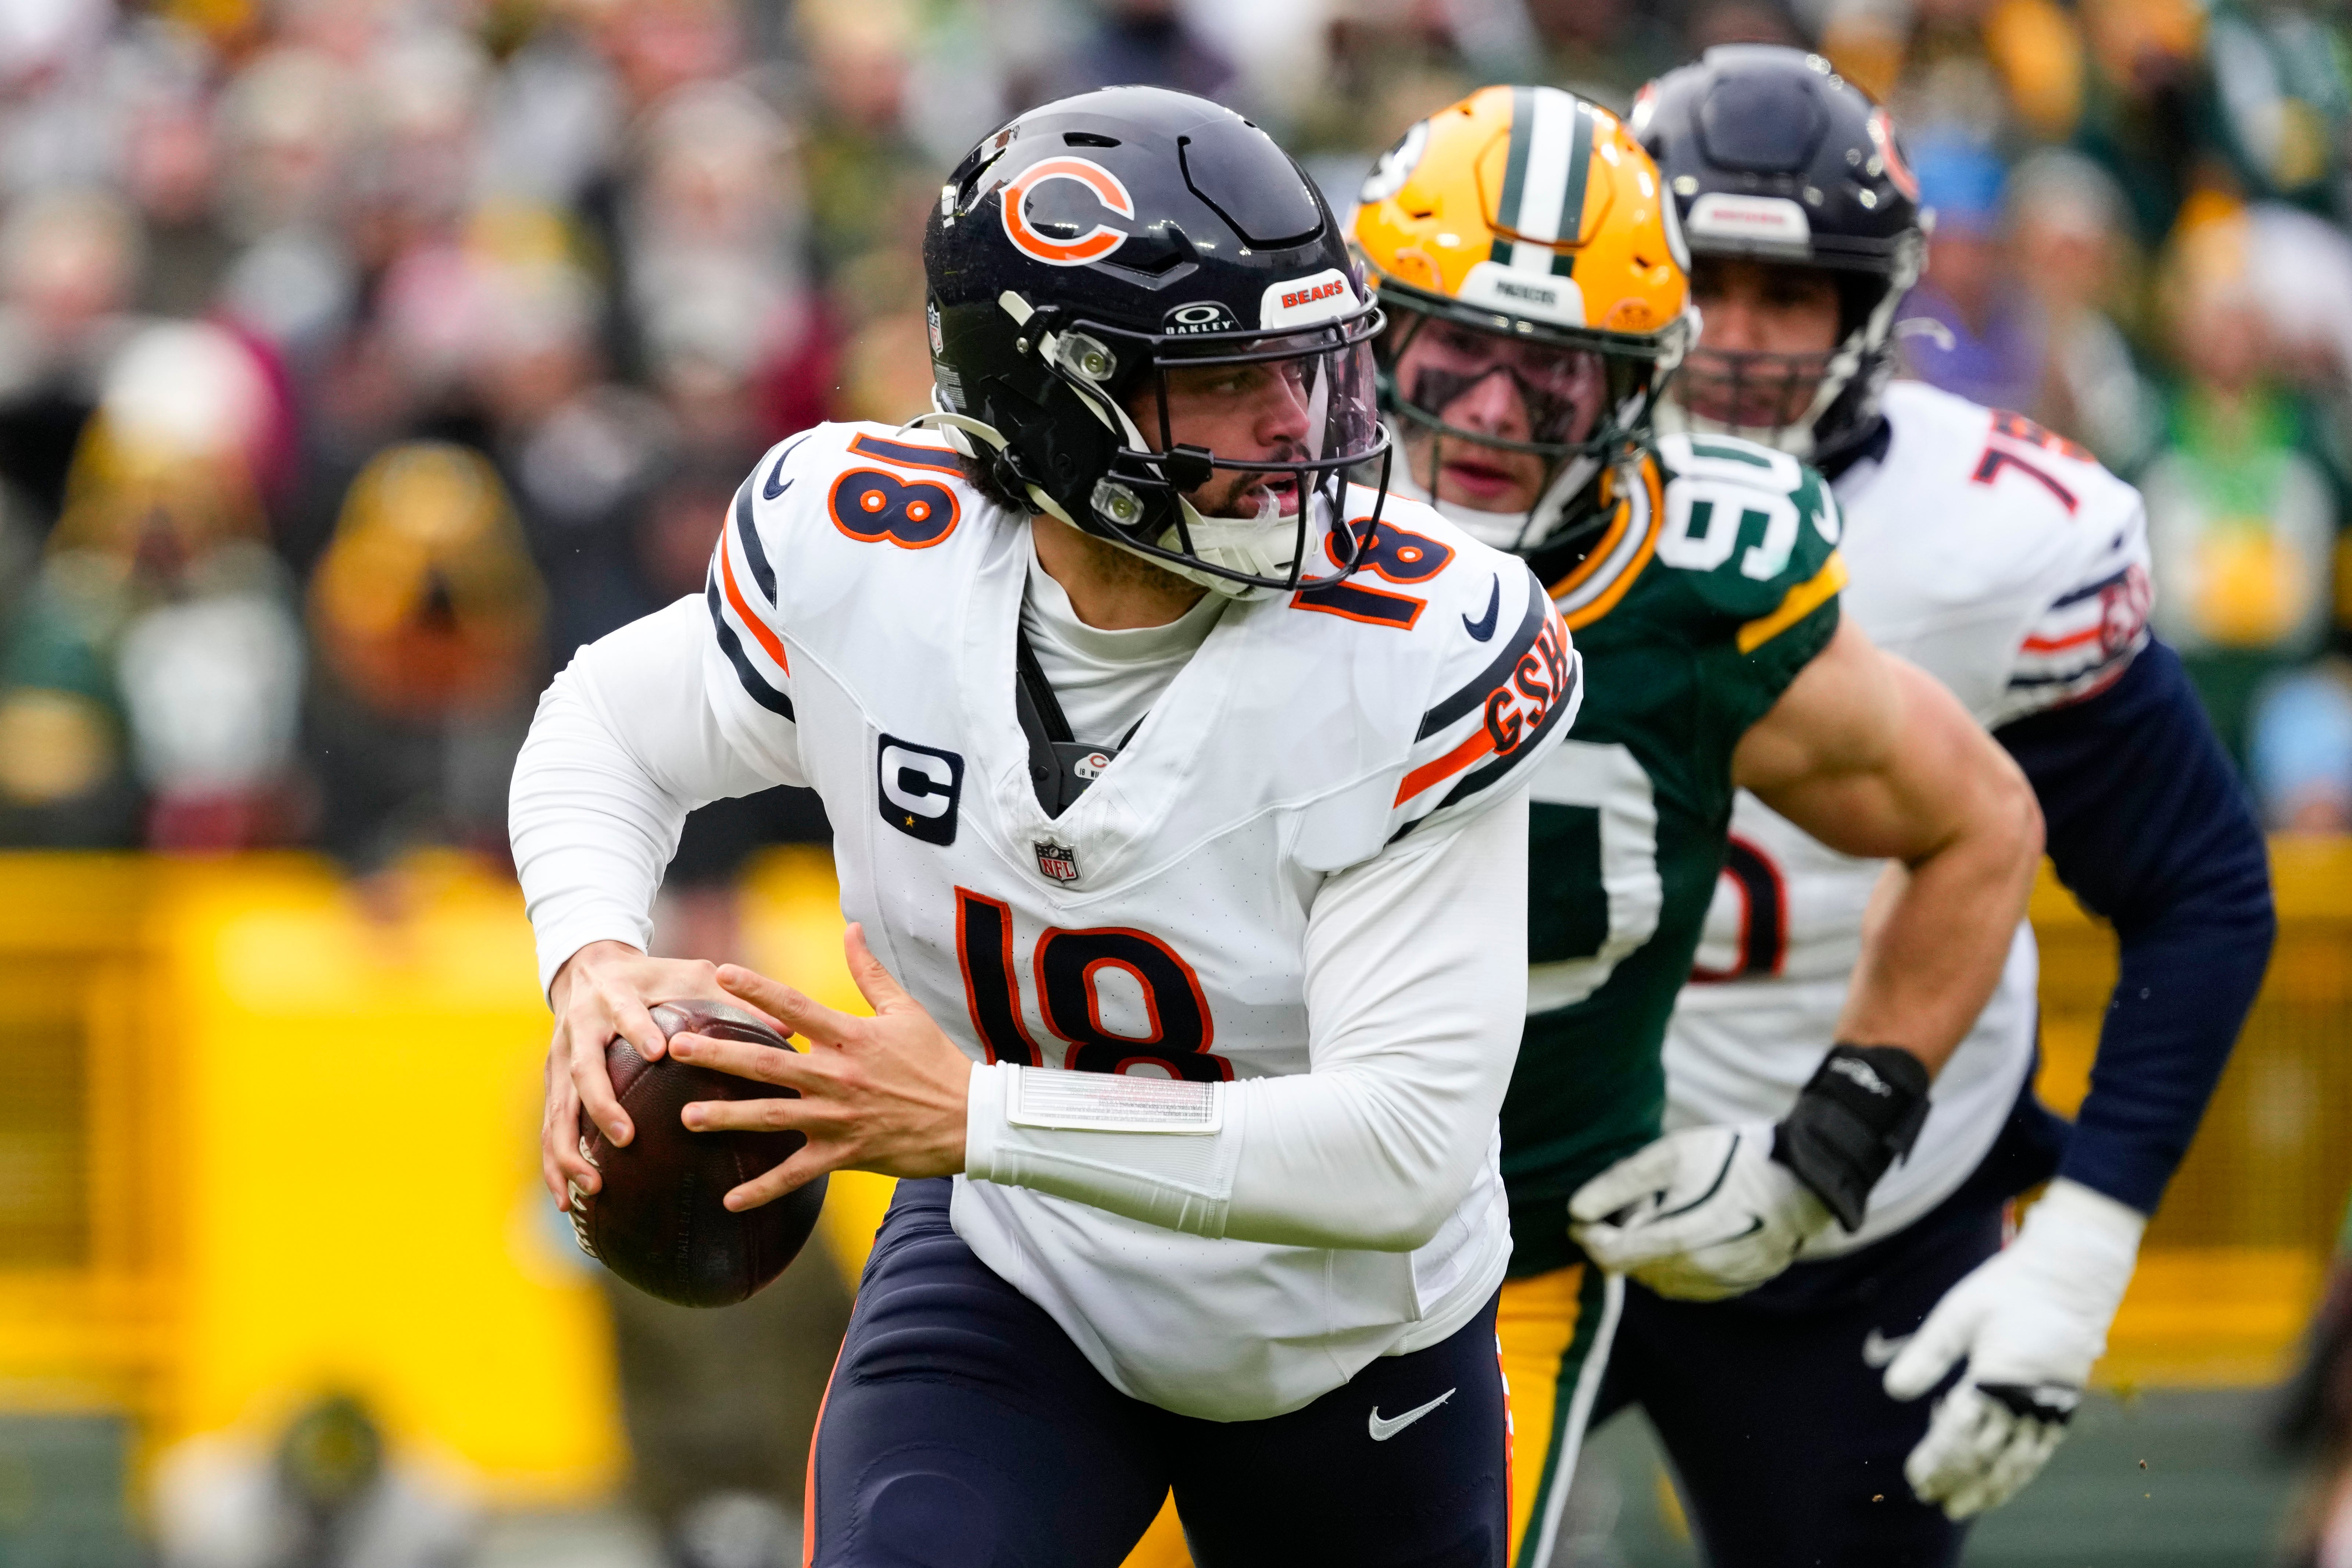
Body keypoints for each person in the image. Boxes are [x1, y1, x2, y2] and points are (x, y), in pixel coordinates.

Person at [509, 87, 1580, 1567]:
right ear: (1049, 400)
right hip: (1023, 1279)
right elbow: (605, 722)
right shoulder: (867, 555)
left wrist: (978, 1116)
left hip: (1340, 1339)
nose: (1298, 423)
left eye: (1310, 367)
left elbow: (1399, 1145)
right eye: (1222, 383)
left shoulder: (1415, 647)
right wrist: (591, 961)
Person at [1589, 44, 2274, 1565]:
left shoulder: (1993, 543)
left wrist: (2082, 1248)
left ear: (1874, 306)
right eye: (1707, 285)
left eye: (1795, 297)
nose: (1743, 346)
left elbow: (2199, 887)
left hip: (1865, 1214)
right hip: (1523, 1179)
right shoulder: (1485, 500)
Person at [1344, 82, 2044, 1568]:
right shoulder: (1246, 525)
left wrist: (1830, 1147)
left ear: (1643, 381)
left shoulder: (1695, 577)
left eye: (1556, 372)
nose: (1488, 413)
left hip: (1495, 1258)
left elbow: (1980, 818)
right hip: (1167, 1218)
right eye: (1459, 347)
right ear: (1372, 330)